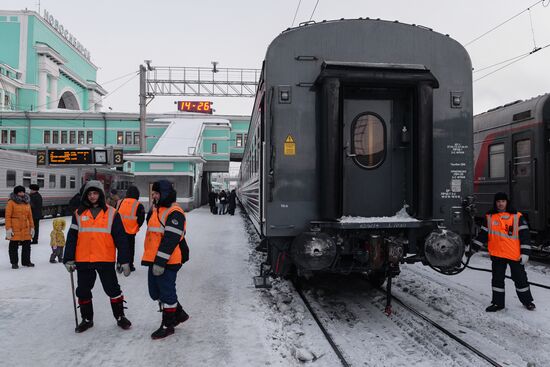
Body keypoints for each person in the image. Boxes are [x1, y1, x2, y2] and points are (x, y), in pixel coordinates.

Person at [63, 180, 132, 333]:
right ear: (85, 196)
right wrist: (68, 258)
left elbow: (121, 238)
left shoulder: (112, 213)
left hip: (104, 258)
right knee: (83, 291)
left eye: (95, 193)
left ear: (100, 194)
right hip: (83, 258)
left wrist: (124, 260)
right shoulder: (79, 213)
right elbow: (72, 237)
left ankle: (120, 316)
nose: (92, 196)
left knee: (113, 289)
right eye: (89, 193)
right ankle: (87, 319)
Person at [472, 192, 535, 312]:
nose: (500, 204)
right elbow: (483, 236)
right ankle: (497, 303)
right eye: (498, 202)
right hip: (497, 255)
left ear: (507, 202)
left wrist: (525, 253)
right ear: (495, 203)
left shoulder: (517, 216)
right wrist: (473, 249)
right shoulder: (490, 217)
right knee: (497, 280)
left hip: (514, 255)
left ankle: (528, 302)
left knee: (520, 279)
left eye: (503, 201)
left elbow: (525, 236)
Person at [143, 180, 189, 339]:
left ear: (164, 193)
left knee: (167, 293)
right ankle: (179, 313)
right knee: (155, 292)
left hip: (167, 261)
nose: (153, 195)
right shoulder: (156, 209)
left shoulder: (174, 212)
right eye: (153, 193)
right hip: (154, 258)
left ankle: (168, 325)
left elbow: (170, 239)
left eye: (156, 193)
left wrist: (160, 262)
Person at [116, 185, 145, 271]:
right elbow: (141, 219)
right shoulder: (138, 205)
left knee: (121, 247)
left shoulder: (119, 202)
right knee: (130, 249)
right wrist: (136, 226)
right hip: (131, 231)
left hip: (119, 229)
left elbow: (114, 213)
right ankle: (129, 266)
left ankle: (119, 264)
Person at [5, 186, 35, 269]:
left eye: (23, 192)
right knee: (13, 246)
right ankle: (14, 263)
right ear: (16, 193)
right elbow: (7, 216)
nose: (22, 193)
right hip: (15, 228)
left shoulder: (27, 202)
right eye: (20, 192)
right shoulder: (11, 202)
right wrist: (8, 229)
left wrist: (32, 227)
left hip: (26, 227)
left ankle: (26, 262)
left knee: (27, 245)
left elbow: (30, 216)